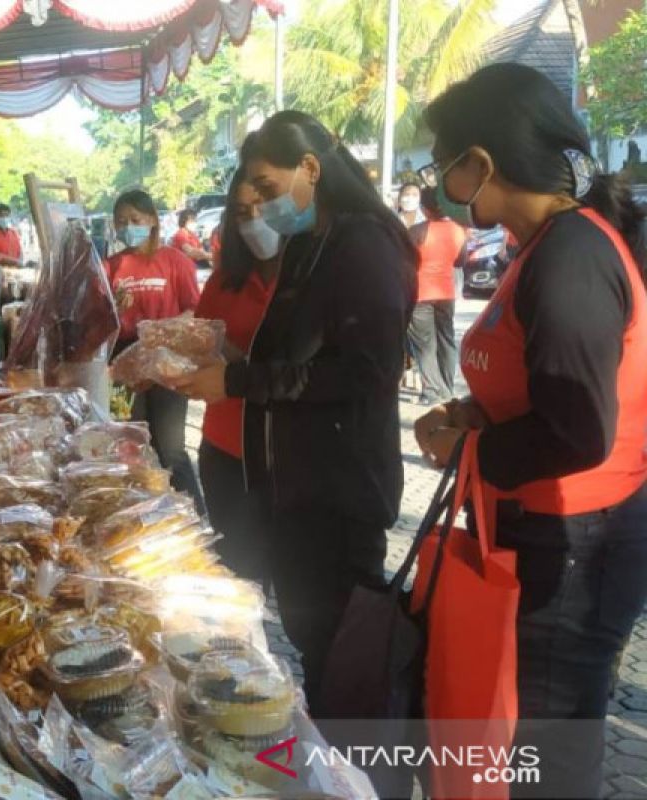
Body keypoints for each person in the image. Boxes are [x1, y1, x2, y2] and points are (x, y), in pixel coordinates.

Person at [415, 63, 647, 798]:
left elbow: (579, 431)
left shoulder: (572, 256)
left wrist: (472, 447)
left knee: (547, 737)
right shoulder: (539, 248)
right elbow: (540, 389)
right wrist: (476, 416)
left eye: (445, 162)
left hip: (581, 542)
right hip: (543, 527)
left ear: (480, 162)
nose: (442, 180)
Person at [173, 110, 417, 712]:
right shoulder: (313, 243)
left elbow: (366, 371)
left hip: (338, 493)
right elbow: (290, 352)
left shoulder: (363, 242)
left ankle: (359, 771)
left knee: (345, 659)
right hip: (296, 493)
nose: (254, 200)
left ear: (310, 167)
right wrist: (226, 358)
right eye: (246, 190)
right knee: (317, 648)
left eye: (265, 185)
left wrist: (237, 379)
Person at [194, 162, 278, 583]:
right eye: (242, 213)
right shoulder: (225, 280)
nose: (254, 221)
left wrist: (242, 362)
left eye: (263, 206)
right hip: (223, 447)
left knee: (283, 577)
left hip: (282, 454)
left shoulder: (310, 279)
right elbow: (200, 345)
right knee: (236, 574)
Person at [108, 188, 205, 510]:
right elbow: (100, 324)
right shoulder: (111, 266)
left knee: (171, 447)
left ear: (151, 220)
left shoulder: (176, 262)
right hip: (126, 363)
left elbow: (196, 312)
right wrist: (113, 309)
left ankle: (193, 514)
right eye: (121, 222)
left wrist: (161, 332)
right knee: (133, 446)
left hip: (168, 364)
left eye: (135, 219)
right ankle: (146, 516)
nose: (127, 228)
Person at [402, 185, 468, 405]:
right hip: (446, 292)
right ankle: (447, 388)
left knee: (425, 344)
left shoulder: (417, 231)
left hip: (421, 292)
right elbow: (461, 261)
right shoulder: (459, 230)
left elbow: (405, 261)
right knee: (446, 340)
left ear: (425, 208)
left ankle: (431, 391)